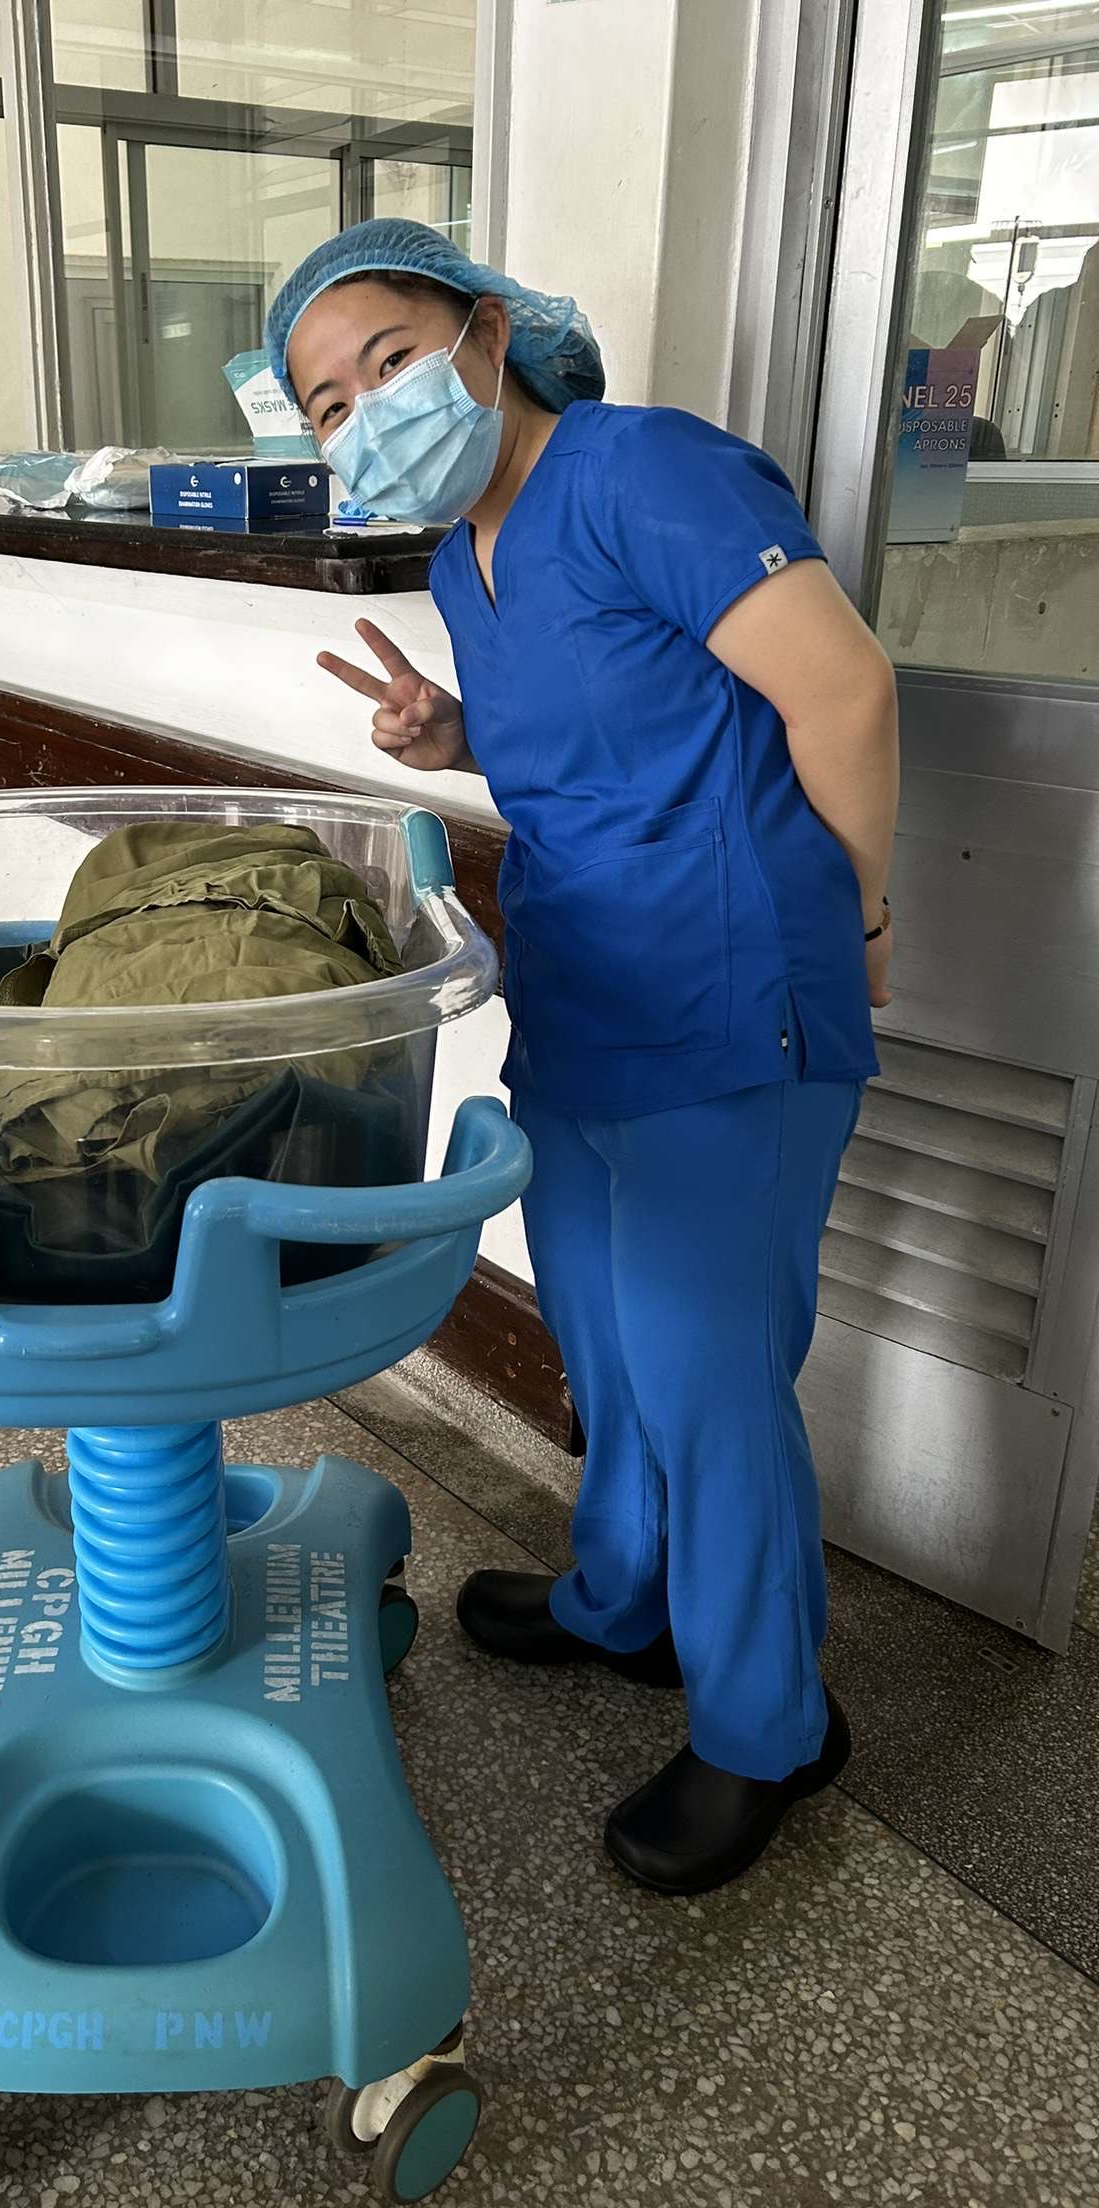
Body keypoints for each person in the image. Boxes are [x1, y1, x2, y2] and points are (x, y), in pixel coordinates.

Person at [267, 220, 898, 1896]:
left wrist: (862, 919)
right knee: (608, 1344)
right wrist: (449, 737)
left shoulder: (644, 471)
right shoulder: (465, 554)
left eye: (391, 359)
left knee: (711, 1383)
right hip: (587, 997)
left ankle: (769, 1727)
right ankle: (624, 1600)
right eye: (326, 402)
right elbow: (602, 728)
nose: (369, 410)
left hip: (732, 1008)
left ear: (485, 331)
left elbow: (842, 692)